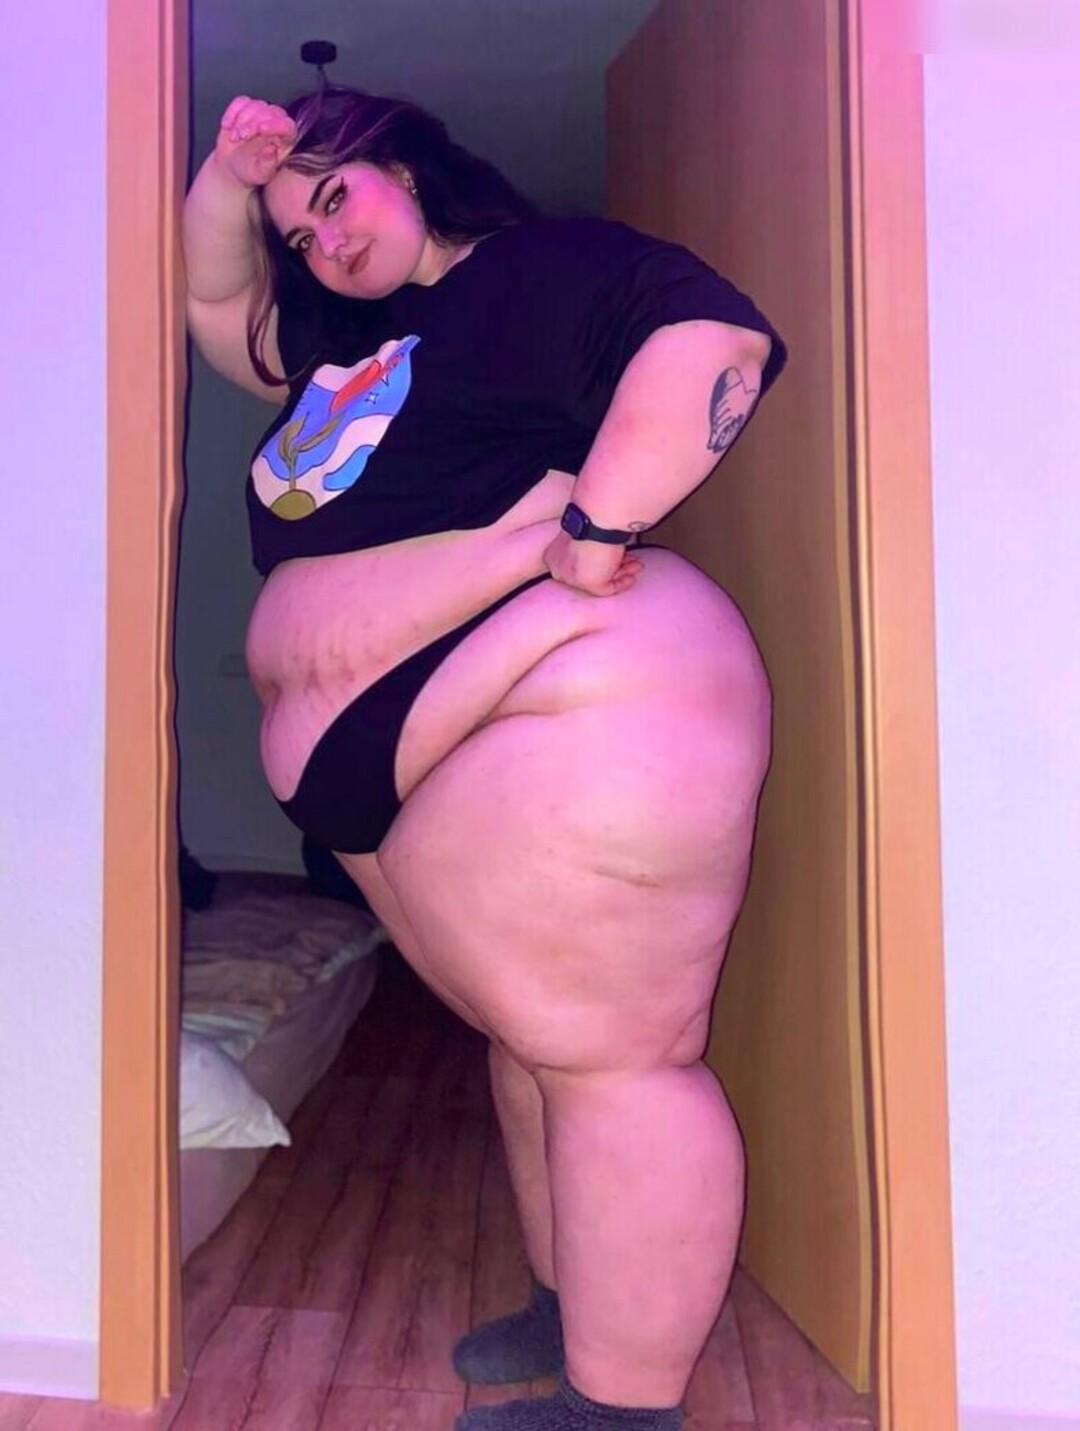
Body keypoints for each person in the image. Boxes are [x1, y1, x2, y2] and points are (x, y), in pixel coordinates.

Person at [182, 85, 786, 1431]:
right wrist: (230, 178)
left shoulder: (533, 270)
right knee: (532, 1039)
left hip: (546, 687)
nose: (324, 242)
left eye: (335, 196)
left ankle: (622, 1408)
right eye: (299, 235)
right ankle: (577, 1304)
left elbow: (712, 338)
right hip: (412, 730)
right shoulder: (342, 348)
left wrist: (601, 521)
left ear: (407, 170)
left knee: (614, 1053)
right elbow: (216, 301)